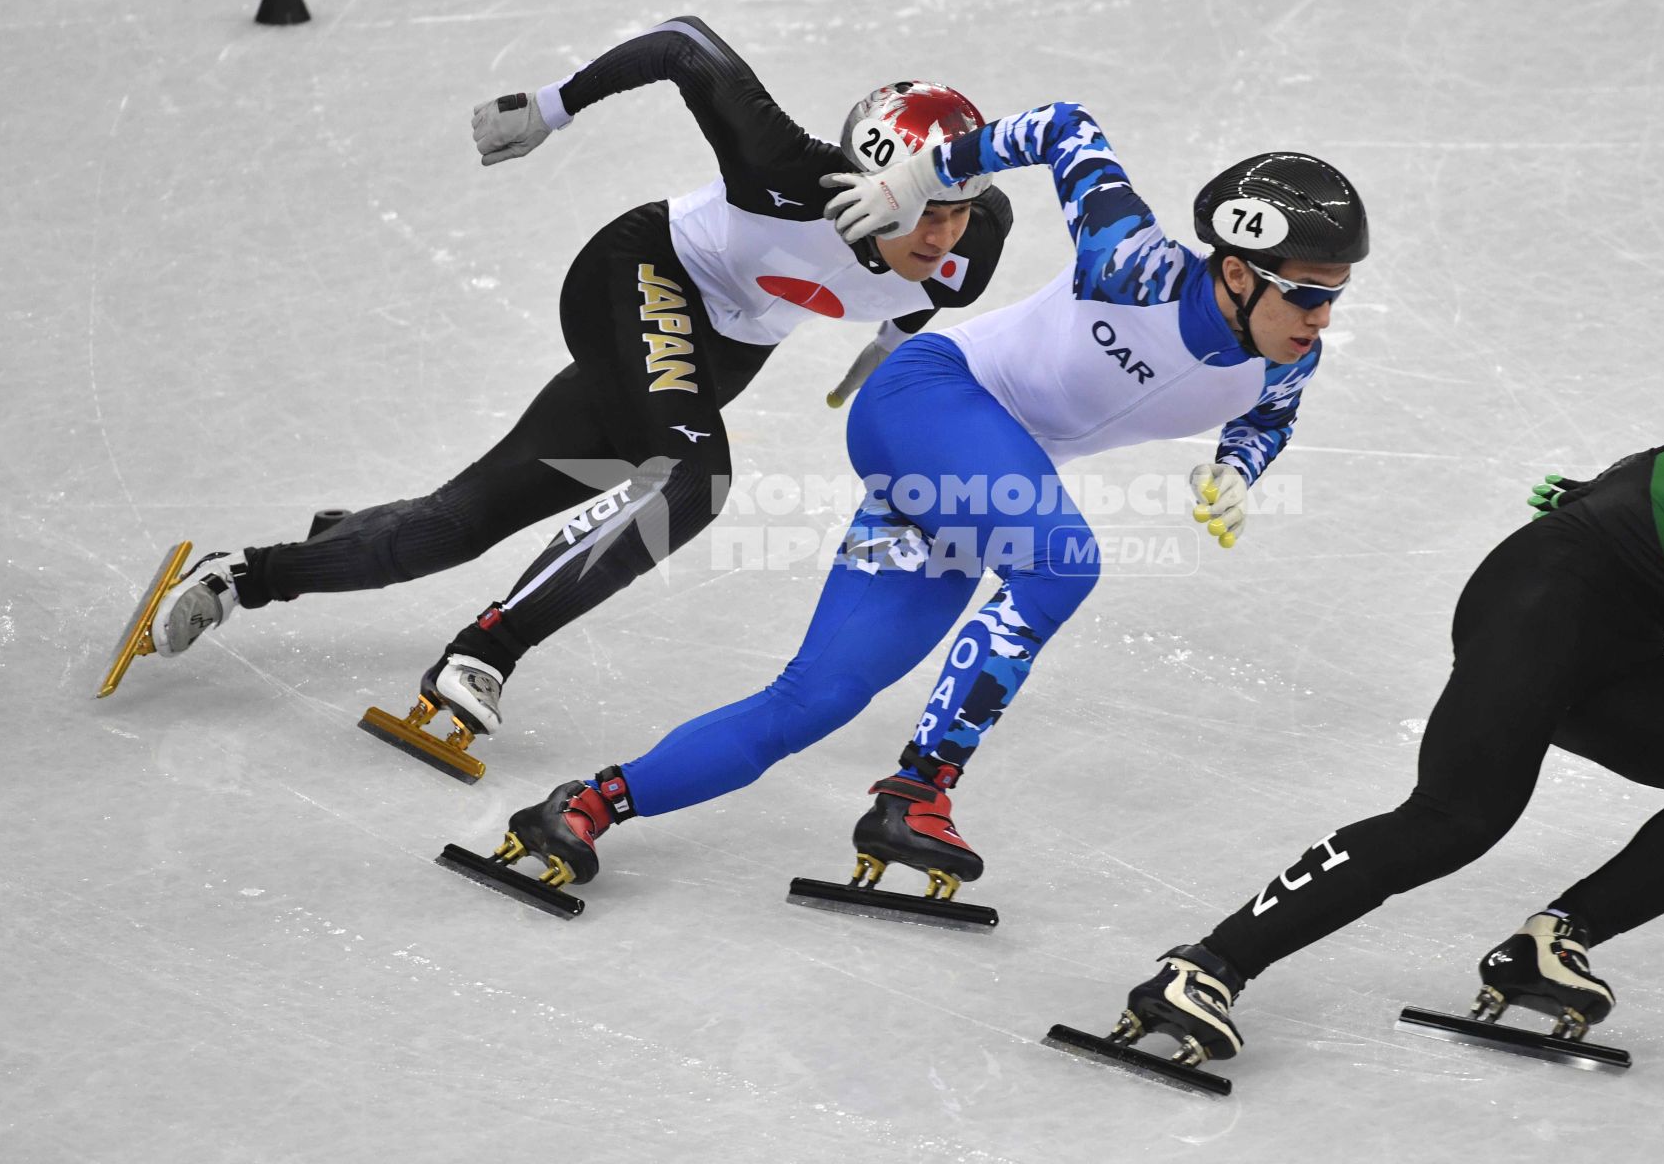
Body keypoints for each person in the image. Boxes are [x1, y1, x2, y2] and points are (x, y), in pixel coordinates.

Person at [486, 100, 1369, 903]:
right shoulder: (1130, 262)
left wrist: (1236, 472)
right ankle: (919, 792)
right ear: (1240, 273)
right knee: (1061, 562)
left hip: (967, 483)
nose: (1321, 317)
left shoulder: (1290, 356)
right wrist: (918, 178)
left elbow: (1265, 422)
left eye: (1336, 295)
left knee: (816, 698)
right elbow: (1065, 127)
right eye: (1306, 292)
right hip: (928, 401)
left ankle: (589, 806)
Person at [109, 16, 1013, 757]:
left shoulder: (974, 236)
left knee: (452, 527)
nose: (941, 234)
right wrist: (549, 108)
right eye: (922, 210)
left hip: (717, 356)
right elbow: (684, 44)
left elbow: (933, 292)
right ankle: (487, 650)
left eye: (957, 209)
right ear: (870, 180)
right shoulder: (786, 169)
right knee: (693, 484)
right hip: (641, 272)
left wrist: (885, 349)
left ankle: (246, 575)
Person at [1100, 390, 1664, 1072]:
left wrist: (1634, 473)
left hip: (1619, 644)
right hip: (1546, 593)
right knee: (1456, 816)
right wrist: (1624, 486)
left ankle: (1548, 944)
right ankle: (1202, 968)